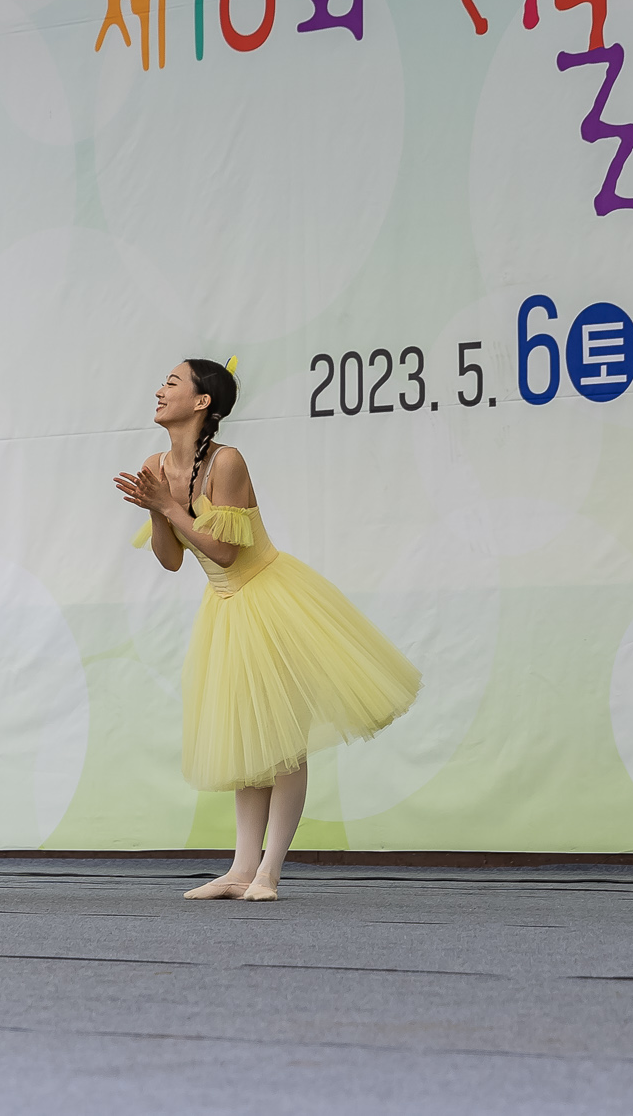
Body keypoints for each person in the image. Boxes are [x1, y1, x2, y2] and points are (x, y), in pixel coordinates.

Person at [116, 358, 420, 901]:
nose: (159, 390)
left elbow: (227, 552)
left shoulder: (227, 461)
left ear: (202, 402)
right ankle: (239, 869)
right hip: (226, 609)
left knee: (283, 742)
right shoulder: (156, 464)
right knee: (247, 741)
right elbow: (170, 560)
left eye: (172, 382)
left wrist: (166, 503)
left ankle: (269, 872)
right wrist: (159, 509)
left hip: (269, 597)